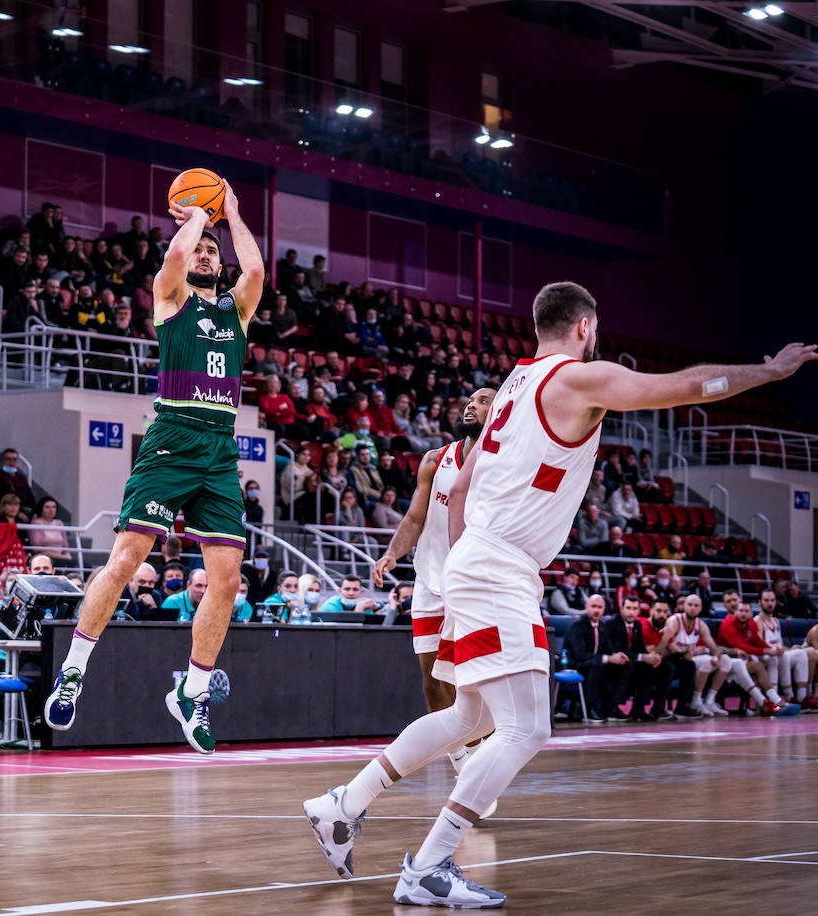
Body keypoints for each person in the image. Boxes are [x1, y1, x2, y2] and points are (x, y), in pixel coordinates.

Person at [303, 281, 817, 908]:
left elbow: (459, 491)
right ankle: (429, 865)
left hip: (482, 560)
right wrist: (768, 371)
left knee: (473, 718)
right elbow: (682, 386)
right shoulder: (573, 380)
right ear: (584, 327)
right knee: (528, 729)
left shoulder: (512, 387)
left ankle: (342, 804)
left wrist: (471, 556)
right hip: (497, 566)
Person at [43, 182, 263, 753]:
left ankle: (192, 693)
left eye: (214, 251)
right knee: (125, 560)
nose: (207, 255)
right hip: (170, 439)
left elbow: (256, 271)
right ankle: (73, 669)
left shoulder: (236, 312)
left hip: (219, 447)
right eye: (201, 250)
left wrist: (231, 214)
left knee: (228, 581)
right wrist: (193, 220)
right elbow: (171, 258)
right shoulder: (171, 299)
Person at [371, 389, 495, 756]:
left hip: (473, 584)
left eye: (484, 400)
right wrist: (392, 553)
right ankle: (460, 758)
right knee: (431, 681)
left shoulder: (502, 465)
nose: (471, 405)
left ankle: (474, 758)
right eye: (469, 400)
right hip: (429, 578)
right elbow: (414, 517)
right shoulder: (434, 459)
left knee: (464, 682)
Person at [564, 595, 631, 721]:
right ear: (586, 607)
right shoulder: (577, 626)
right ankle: (591, 709)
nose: (596, 610)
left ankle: (612, 707)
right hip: (575, 665)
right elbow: (580, 655)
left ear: (604, 609)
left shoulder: (603, 626)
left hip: (595, 664)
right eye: (593, 606)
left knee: (626, 664)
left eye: (599, 607)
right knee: (597, 664)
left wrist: (617, 655)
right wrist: (607, 658)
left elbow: (609, 649)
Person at [753, 588, 814, 709]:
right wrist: (776, 650)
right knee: (779, 656)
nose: (770, 603)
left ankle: (801, 698)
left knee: (800, 654)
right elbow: (758, 644)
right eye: (766, 600)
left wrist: (790, 649)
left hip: (778, 654)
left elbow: (780, 645)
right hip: (764, 657)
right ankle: (785, 696)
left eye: (772, 600)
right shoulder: (757, 620)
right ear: (760, 602)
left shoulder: (776, 621)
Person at [0, 448, 34, 513]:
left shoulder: (21, 477)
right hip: (8, 509)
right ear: (2, 461)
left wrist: (36, 512)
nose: (12, 462)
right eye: (8, 459)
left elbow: (30, 497)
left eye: (14, 459)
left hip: (24, 508)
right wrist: (17, 512)